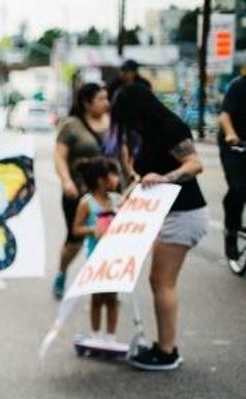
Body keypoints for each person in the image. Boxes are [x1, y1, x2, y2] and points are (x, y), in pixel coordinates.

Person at [111, 84, 207, 371]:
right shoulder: (147, 131)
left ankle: (167, 351)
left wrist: (167, 177)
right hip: (167, 214)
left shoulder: (169, 127)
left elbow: (195, 164)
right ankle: (165, 346)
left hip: (184, 213)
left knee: (161, 282)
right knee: (159, 281)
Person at [52, 83, 112, 299]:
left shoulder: (112, 123)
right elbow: (59, 156)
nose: (106, 103)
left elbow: (123, 155)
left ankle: (104, 285)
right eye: (101, 99)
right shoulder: (71, 125)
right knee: (75, 239)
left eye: (107, 98)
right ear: (87, 102)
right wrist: (66, 181)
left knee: (108, 237)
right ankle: (61, 272)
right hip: (78, 193)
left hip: (108, 195)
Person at [71, 157, 123, 342]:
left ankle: (110, 337)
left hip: (115, 258)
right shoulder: (87, 203)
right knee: (97, 297)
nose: (117, 178)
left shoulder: (118, 201)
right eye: (113, 174)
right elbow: (76, 229)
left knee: (112, 298)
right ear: (101, 179)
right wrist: (93, 229)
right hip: (95, 258)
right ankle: (95, 335)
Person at [218, 71, 245, 264]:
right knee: (239, 187)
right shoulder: (238, 86)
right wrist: (230, 134)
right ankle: (231, 232)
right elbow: (224, 115)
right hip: (235, 146)